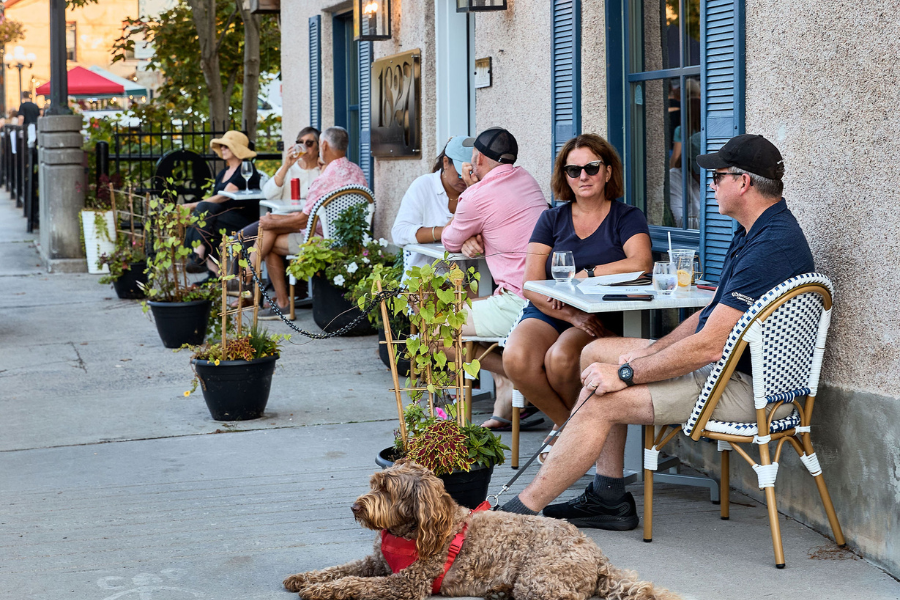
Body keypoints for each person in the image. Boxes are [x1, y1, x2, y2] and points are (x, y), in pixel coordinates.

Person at [499, 134, 814, 531]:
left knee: (603, 397)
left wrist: (628, 373)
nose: (710, 185)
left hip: (747, 385)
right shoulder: (753, 231)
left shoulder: (770, 246)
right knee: (597, 353)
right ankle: (608, 495)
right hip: (732, 365)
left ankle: (518, 515)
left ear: (743, 182)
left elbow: (708, 346)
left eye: (716, 177)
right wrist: (649, 353)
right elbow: (709, 315)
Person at [502, 134, 652, 441]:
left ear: (608, 172)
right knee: (515, 358)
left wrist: (590, 273)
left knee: (560, 359)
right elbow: (530, 282)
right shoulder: (551, 219)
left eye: (592, 168)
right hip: (553, 309)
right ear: (565, 177)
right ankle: (573, 432)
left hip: (598, 312)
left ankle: (573, 438)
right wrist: (571, 315)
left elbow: (642, 264)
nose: (583, 176)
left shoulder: (626, 216)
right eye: (574, 170)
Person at [440, 127, 548, 429]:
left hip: (520, 303)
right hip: (539, 294)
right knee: (471, 305)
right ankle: (507, 397)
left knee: (436, 333)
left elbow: (449, 240)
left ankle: (525, 380)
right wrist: (473, 234)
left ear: (476, 159)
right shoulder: (526, 179)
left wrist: (470, 193)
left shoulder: (476, 195)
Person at [255, 126, 367, 319]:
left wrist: (272, 222)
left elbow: (304, 218)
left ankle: (281, 302)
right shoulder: (356, 171)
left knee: (270, 241)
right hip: (352, 240)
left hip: (323, 242)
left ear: (322, 145)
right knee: (271, 226)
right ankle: (251, 275)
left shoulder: (323, 179)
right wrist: (274, 221)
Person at [183, 130, 261, 276]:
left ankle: (199, 259)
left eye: (227, 146)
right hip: (222, 218)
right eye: (222, 146)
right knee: (205, 227)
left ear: (237, 148)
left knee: (202, 222)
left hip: (242, 218)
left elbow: (224, 197)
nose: (223, 149)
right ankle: (213, 273)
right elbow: (213, 203)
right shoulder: (223, 173)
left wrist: (193, 206)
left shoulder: (245, 170)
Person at [391, 136, 470, 269]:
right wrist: (445, 232)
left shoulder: (476, 190)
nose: (465, 178)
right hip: (423, 282)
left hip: (467, 282)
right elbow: (399, 233)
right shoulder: (424, 185)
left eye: (470, 172)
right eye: (460, 172)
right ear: (446, 162)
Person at [263, 127, 322, 203]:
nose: (303, 147)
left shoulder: (323, 170)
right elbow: (268, 195)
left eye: (309, 143)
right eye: (300, 142)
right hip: (284, 213)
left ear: (318, 147)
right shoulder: (289, 168)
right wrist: (286, 166)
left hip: (308, 214)